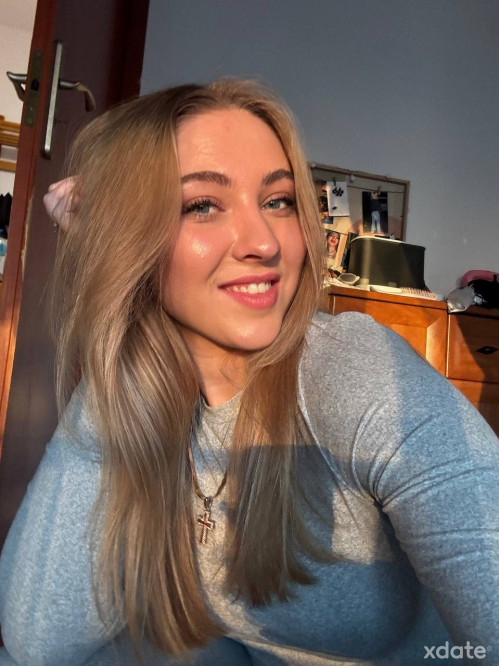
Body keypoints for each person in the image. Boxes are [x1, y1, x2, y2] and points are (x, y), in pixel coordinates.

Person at [0, 79, 498, 666]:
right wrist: (121, 324)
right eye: (201, 205)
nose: (264, 243)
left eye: (278, 201)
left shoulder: (356, 370)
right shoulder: (155, 393)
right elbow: (40, 637)